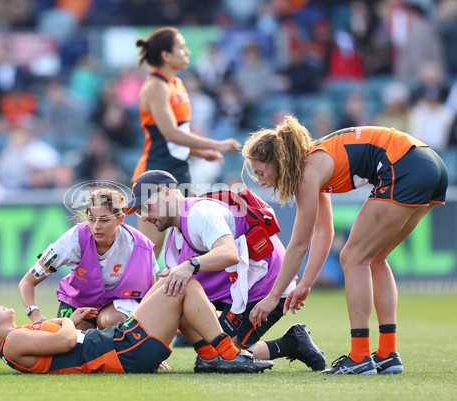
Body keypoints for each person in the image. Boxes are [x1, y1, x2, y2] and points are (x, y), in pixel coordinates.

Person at [242, 117, 447, 374]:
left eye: (261, 172)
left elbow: (299, 244)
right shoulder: (313, 162)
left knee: (352, 256)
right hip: (429, 164)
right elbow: (323, 230)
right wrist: (305, 283)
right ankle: (387, 354)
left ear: (279, 161)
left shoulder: (307, 173)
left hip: (404, 166)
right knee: (374, 258)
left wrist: (273, 297)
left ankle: (360, 357)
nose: (260, 181)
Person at [125, 170, 327, 373]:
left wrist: (190, 265)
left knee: (221, 358)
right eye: (138, 211)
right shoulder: (178, 229)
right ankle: (287, 343)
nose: (144, 216)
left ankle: (291, 343)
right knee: (179, 299)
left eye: (146, 206)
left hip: (265, 289)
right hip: (237, 289)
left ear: (167, 194)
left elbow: (229, 254)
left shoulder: (199, 215)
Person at [0, 278, 275, 374]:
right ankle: (224, 353)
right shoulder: (13, 342)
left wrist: (59, 324)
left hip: (121, 345)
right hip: (124, 350)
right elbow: (68, 341)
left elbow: (65, 343)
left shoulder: (15, 341)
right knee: (184, 284)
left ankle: (211, 355)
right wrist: (65, 321)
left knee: (169, 279)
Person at [132, 27, 241, 257]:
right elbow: (170, 133)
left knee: (191, 246)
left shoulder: (177, 84)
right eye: (181, 47)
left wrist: (200, 153)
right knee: (149, 254)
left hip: (180, 172)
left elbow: (176, 136)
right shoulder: (155, 86)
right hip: (155, 174)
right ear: (166, 55)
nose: (188, 52)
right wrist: (216, 145)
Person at [19, 188, 159, 331]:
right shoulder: (73, 239)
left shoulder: (141, 246)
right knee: (71, 339)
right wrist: (35, 315)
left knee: (115, 322)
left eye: (104, 220)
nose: (96, 226)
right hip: (78, 302)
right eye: (91, 219)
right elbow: (27, 282)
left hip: (116, 305)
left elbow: (151, 294)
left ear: (120, 219)